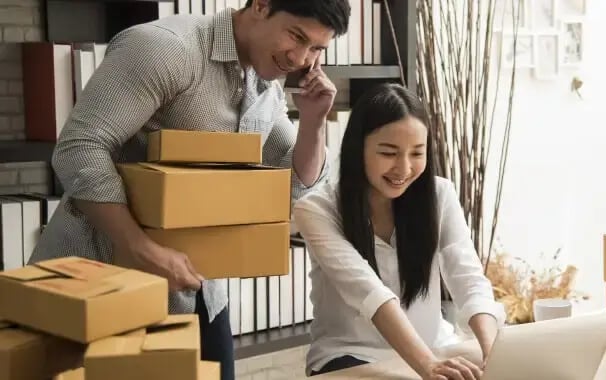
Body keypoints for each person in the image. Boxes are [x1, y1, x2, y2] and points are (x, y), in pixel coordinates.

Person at [28, 1, 350, 379]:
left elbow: (296, 188)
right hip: (101, 280)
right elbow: (79, 146)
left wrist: (313, 121)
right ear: (261, 5)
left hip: (198, 290)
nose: (300, 58)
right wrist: (141, 247)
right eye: (296, 36)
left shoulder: (265, 82)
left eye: (315, 49)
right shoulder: (165, 49)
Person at [293, 83, 507, 380]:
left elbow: (468, 278)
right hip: (351, 356)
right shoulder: (316, 209)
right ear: (358, 149)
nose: (404, 168)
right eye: (389, 152)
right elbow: (370, 294)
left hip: (435, 346)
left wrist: (494, 354)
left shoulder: (439, 194)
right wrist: (427, 366)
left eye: (416, 153)